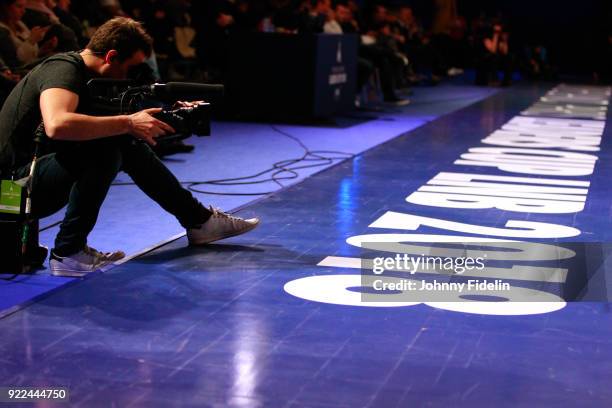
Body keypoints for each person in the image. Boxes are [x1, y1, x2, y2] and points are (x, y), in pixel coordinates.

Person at [0, 17, 260, 277]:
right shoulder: (63, 70)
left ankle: (198, 221)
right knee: (109, 145)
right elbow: (57, 124)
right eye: (130, 68)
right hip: (10, 189)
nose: (132, 77)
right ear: (112, 57)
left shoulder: (89, 79)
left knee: (122, 138)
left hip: (27, 184)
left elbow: (105, 124)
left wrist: (165, 114)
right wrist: (127, 122)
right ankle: (68, 252)